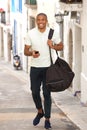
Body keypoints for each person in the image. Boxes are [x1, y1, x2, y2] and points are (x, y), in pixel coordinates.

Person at [24, 13, 63, 129]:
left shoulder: (52, 33)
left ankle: (47, 119)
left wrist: (53, 46)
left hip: (48, 68)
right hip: (35, 68)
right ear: (36, 21)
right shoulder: (30, 33)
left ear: (46, 21)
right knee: (35, 92)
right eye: (39, 20)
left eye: (43, 20)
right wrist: (31, 53)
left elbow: (61, 46)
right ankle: (40, 111)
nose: (41, 21)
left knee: (47, 94)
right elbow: (26, 51)